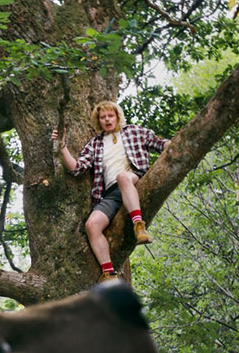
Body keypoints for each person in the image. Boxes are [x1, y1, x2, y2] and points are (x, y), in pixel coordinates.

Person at [52, 100, 170, 281]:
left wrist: (176, 142)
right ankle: (109, 272)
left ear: (117, 117)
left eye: (110, 116)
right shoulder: (95, 144)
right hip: (111, 193)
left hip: (135, 178)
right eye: (102, 117)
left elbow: (160, 144)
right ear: (98, 121)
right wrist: (62, 147)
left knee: (123, 177)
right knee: (92, 225)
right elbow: (77, 168)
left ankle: (138, 225)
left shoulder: (133, 131)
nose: (107, 120)